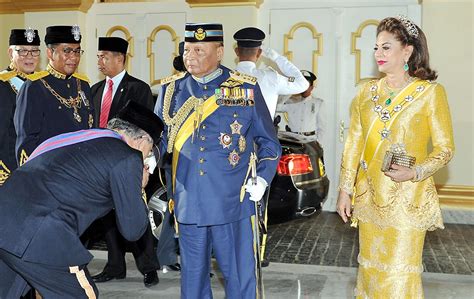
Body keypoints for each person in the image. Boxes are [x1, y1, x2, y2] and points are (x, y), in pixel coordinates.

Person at [155, 23, 281, 298]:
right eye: (187, 50)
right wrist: (146, 158)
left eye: (199, 50)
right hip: (190, 200)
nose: (191, 56)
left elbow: (268, 142)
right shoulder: (171, 91)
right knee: (193, 279)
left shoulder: (244, 88)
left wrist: (262, 177)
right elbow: (160, 138)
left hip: (232, 201)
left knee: (238, 277)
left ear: (220, 52)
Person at [336, 16, 454, 298]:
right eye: (376, 48)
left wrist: (415, 172)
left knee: (399, 275)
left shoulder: (429, 94)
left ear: (408, 51)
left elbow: (445, 148)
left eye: (386, 47)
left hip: (407, 199)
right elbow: (353, 144)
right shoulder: (366, 93)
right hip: (369, 198)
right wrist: (344, 190)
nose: (378, 54)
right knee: (370, 272)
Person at [0, 101, 164, 298]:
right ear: (142, 141)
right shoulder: (128, 157)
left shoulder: (77, 138)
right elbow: (133, 229)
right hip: (41, 233)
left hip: (6, 224)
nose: (147, 157)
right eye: (150, 150)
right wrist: (138, 188)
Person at [89, 36, 159, 287]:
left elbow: (147, 130)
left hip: (128, 163)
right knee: (107, 217)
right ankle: (115, 265)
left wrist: (144, 164)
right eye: (98, 56)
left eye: (104, 56)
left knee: (135, 213)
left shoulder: (137, 88)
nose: (99, 61)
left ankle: (148, 266)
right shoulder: (95, 90)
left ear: (120, 58)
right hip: (102, 164)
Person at [14, 25, 94, 166]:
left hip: (84, 170)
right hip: (50, 172)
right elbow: (27, 141)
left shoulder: (84, 84)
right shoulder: (34, 87)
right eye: (67, 51)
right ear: (50, 53)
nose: (73, 57)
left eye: (77, 51)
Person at [233, 27, 309, 119]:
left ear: (237, 51)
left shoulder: (224, 78)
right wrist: (277, 58)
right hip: (263, 133)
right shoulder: (271, 78)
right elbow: (303, 84)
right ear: (259, 53)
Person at [0, 28, 41, 186]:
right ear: (11, 53)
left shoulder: (42, 84)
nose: (29, 57)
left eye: (34, 51)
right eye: (23, 51)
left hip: (39, 170)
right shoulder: (3, 85)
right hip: (11, 172)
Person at [277, 70, 326, 145]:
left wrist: (319, 144)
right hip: (293, 140)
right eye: (301, 85)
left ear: (311, 87)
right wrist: (290, 90)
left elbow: (321, 127)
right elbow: (276, 107)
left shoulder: (318, 103)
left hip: (310, 141)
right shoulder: (290, 101)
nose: (303, 88)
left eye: (305, 85)